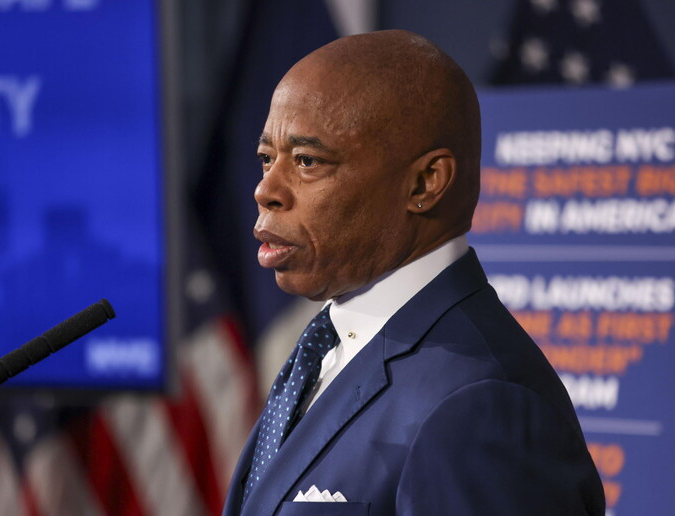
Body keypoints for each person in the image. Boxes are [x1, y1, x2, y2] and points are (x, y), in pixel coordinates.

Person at [223, 30, 605, 516]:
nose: (266, 190)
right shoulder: (330, 346)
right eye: (266, 159)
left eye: (307, 161)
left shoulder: (483, 405)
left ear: (425, 183)